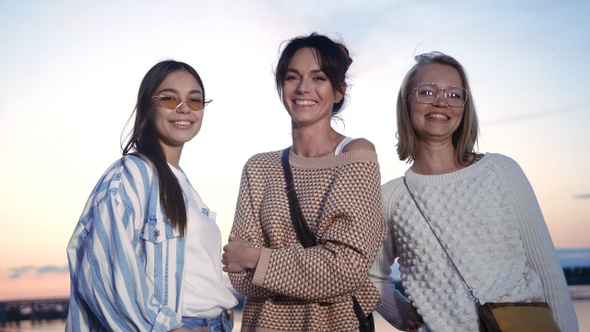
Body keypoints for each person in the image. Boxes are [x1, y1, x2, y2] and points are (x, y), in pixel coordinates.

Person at [369, 51, 578, 331]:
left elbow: (547, 272)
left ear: (465, 107)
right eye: (427, 91)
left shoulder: (501, 171)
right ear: (407, 102)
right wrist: (404, 315)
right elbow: (371, 277)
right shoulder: (391, 198)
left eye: (454, 95)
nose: (441, 101)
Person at [221, 33, 386, 331]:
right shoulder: (258, 168)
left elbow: (346, 269)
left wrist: (256, 258)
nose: (303, 88)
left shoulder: (355, 155)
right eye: (292, 77)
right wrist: (314, 269)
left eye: (318, 78)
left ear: (338, 92)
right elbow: (239, 275)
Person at [66, 60, 237, 332]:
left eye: (195, 101)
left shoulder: (182, 184)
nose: (184, 108)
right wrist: (159, 328)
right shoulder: (132, 174)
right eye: (169, 99)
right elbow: (100, 269)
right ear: (148, 105)